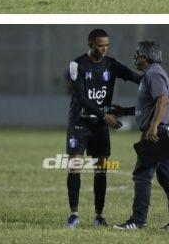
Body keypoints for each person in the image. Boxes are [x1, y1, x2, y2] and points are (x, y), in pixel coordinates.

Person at [64, 29, 142, 228]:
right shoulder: (77, 65)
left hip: (99, 126)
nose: (104, 49)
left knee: (101, 171)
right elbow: (81, 98)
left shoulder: (112, 65)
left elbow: (136, 78)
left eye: (107, 45)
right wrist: (104, 115)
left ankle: (99, 215)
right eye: (100, 45)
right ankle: (74, 214)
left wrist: (164, 86)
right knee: (75, 167)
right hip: (79, 123)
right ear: (90, 44)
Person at [115, 41, 169, 231]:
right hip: (165, 130)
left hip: (160, 131)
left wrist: (154, 126)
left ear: (145, 57)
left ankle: (138, 220)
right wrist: (124, 111)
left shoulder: (153, 73)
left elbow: (163, 99)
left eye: (138, 54)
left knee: (142, 174)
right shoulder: (153, 73)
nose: (136, 57)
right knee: (167, 177)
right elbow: (149, 106)